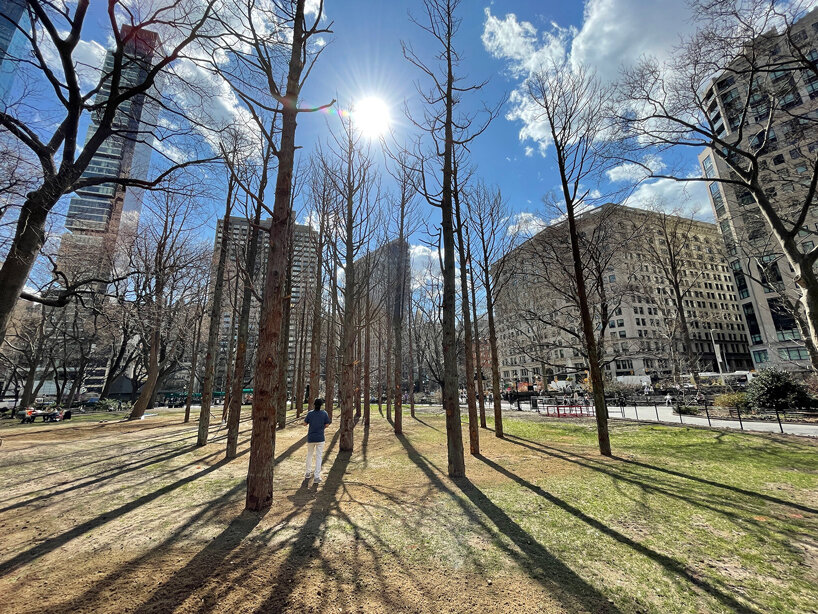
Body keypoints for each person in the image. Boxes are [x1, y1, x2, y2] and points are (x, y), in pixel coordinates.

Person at [304, 398, 330, 483]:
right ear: (321, 405)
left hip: (311, 437)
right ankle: (316, 477)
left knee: (309, 455)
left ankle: (307, 473)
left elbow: (305, 423)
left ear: (314, 404)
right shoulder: (324, 413)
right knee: (319, 457)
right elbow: (327, 424)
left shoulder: (310, 413)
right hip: (320, 438)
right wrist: (322, 427)